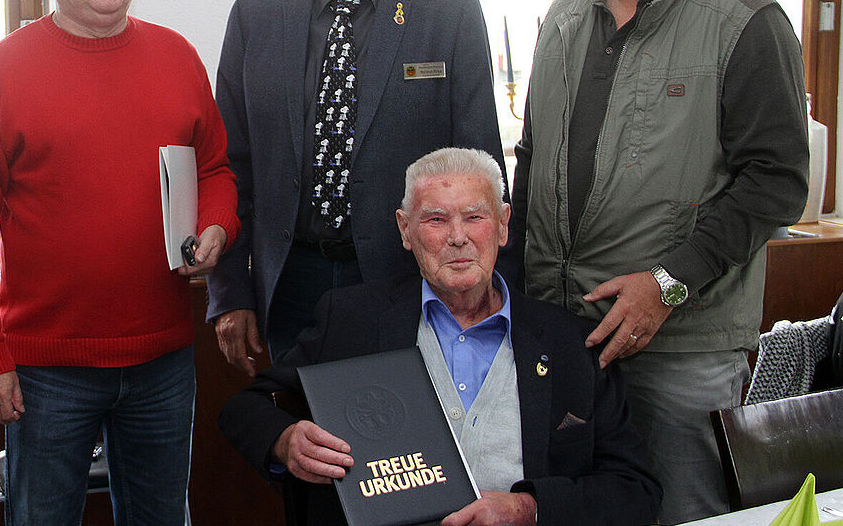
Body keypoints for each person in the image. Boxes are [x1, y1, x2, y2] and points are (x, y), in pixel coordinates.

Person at [512, 0, 810, 524]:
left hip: (681, 344)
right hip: (565, 334)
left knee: (687, 512)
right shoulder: (560, 23)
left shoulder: (745, 20)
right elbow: (531, 168)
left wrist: (666, 284)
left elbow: (777, 180)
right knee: (574, 511)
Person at [0, 0, 239, 526]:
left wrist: (216, 224)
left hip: (163, 358)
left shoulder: (177, 55)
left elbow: (214, 168)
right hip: (46, 370)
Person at [220, 148, 661, 526]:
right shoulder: (351, 321)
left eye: (475, 217)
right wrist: (286, 440)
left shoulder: (571, 343)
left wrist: (530, 508)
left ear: (503, 226)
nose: (457, 237)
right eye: (435, 219)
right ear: (405, 230)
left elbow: (634, 489)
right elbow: (246, 407)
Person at [208, 0, 511, 373]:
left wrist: (477, 281)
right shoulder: (255, 16)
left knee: (401, 446)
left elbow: (481, 164)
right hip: (287, 284)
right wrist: (230, 292)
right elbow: (230, 167)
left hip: (410, 282)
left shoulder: (450, 12)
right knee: (299, 441)